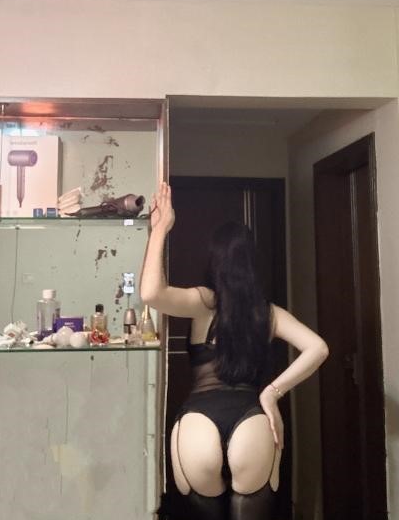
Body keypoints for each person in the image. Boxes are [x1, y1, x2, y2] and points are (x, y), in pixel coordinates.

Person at [140, 182, 329, 520]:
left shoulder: (202, 302)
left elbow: (151, 293)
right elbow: (318, 348)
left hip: (198, 422)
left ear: (214, 261)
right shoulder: (268, 313)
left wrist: (160, 229)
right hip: (252, 420)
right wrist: (272, 393)